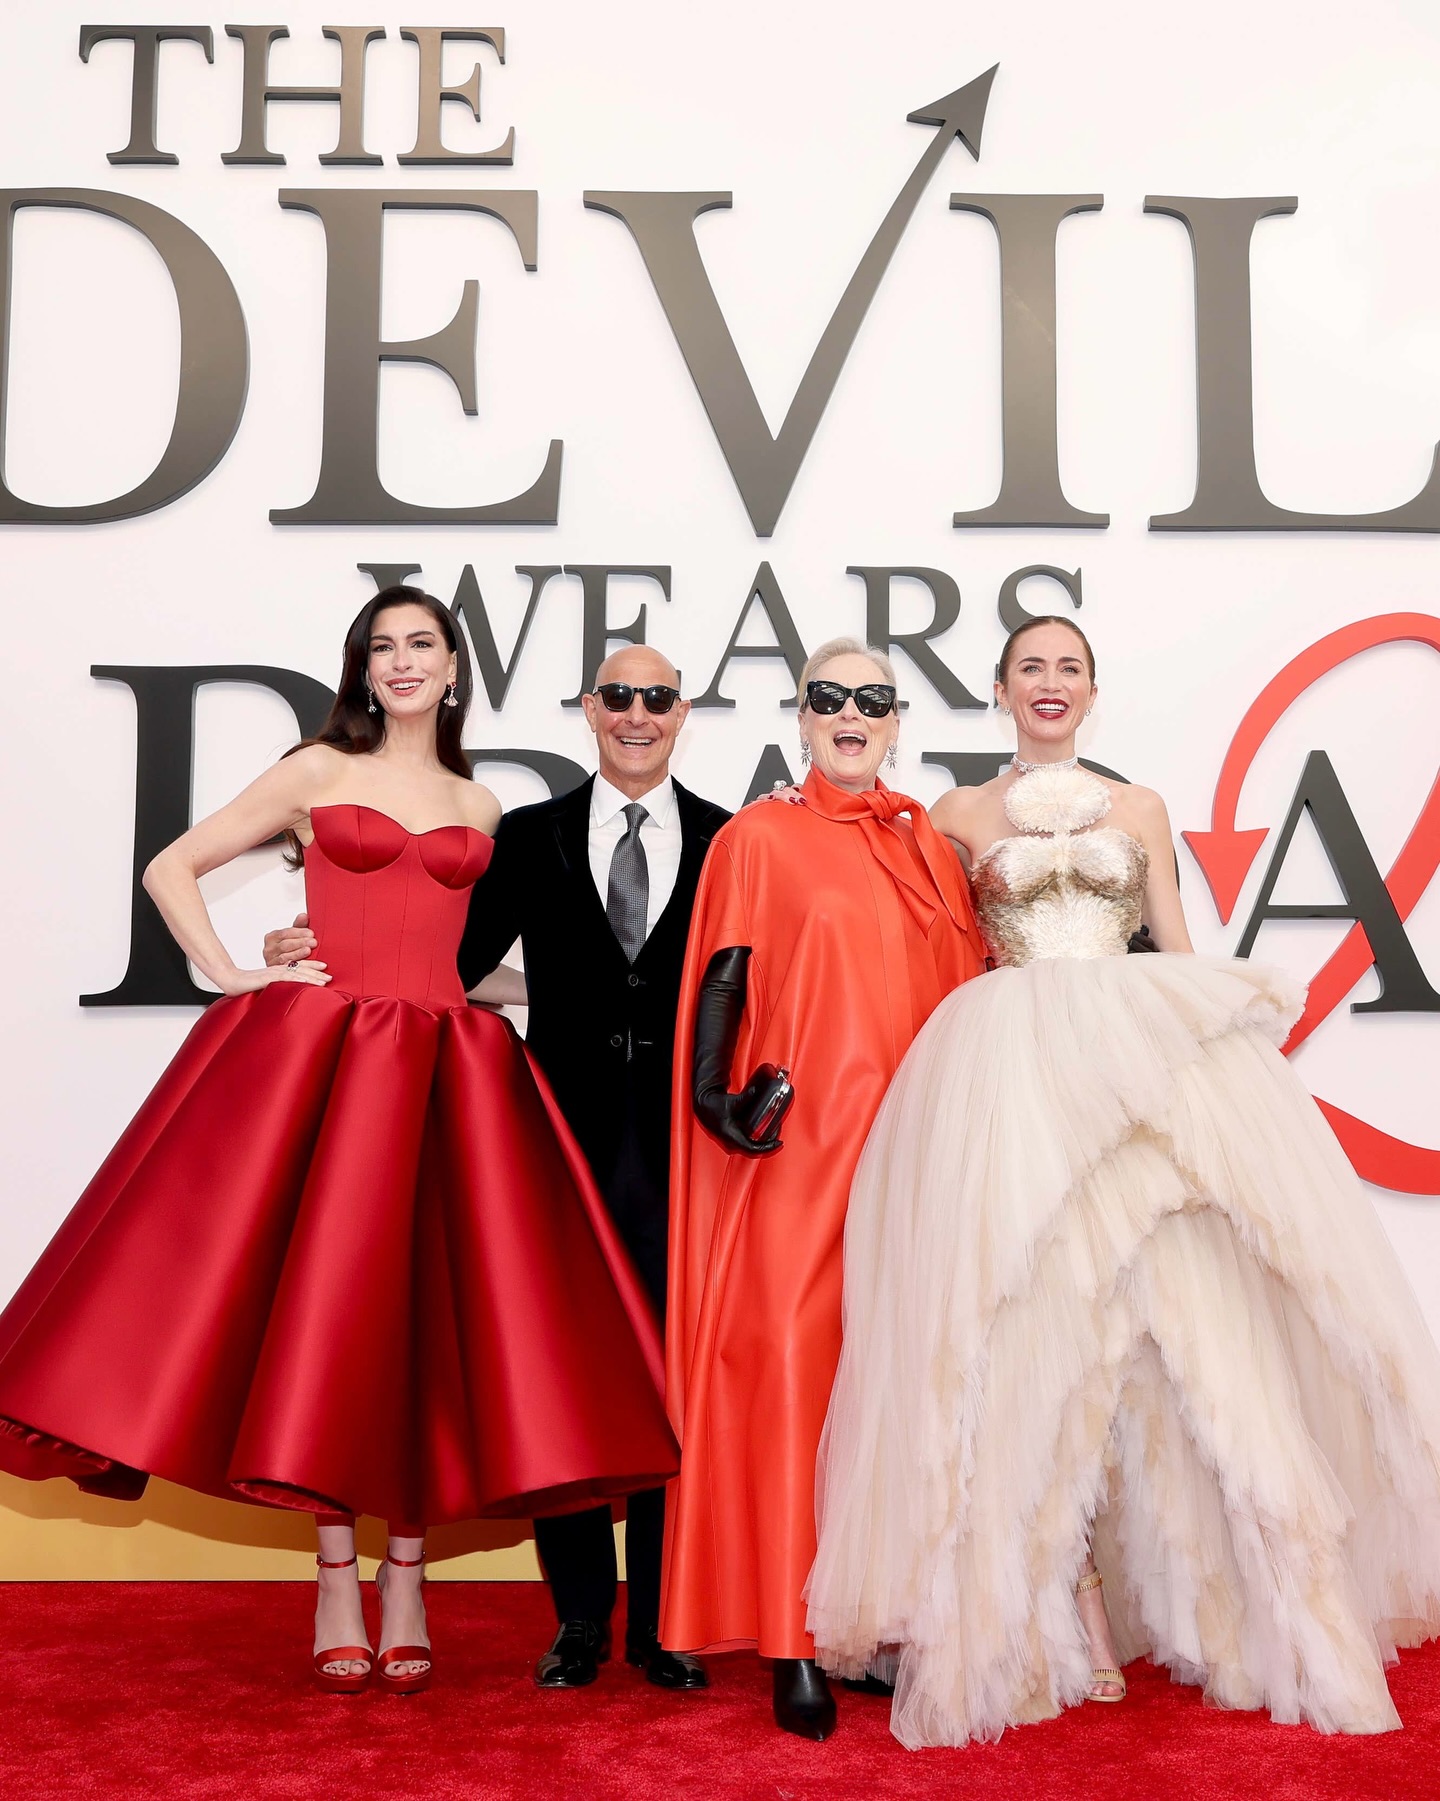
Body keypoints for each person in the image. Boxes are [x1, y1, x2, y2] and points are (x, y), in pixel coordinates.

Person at [0, 587, 676, 1695]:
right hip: (331, 1061)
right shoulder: (318, 770)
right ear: (361, 669)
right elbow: (173, 863)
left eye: (421, 645)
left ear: (456, 668)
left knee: (416, 1324)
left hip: (448, 1072)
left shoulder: (482, 802)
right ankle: (333, 1577)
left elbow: (467, 955)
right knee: (322, 1314)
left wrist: (547, 991)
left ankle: (403, 1576)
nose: (401, 662)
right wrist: (237, 972)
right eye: (381, 647)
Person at [806, 615, 1440, 1748]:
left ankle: (1244, 1609)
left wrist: (1214, 1084)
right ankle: (1052, 1618)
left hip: (1129, 1063)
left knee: (1176, 1336)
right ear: (998, 690)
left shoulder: (1140, 805)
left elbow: (1177, 948)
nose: (1050, 684)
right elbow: (930, 948)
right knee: (1023, 1340)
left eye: (1069, 668)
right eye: (1031, 668)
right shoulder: (953, 816)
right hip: (1006, 1077)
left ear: (1093, 691)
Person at [268, 642, 729, 1695]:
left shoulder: (729, 839)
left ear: (683, 712)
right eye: (618, 695)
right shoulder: (524, 834)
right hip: (550, 1131)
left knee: (664, 1377)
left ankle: (663, 1624)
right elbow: (449, 961)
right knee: (562, 1363)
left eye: (657, 697)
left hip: (684, 1150)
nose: (636, 713)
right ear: (587, 709)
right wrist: (320, 939)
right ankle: (578, 1620)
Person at [663, 637, 987, 1739]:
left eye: (873, 700)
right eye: (828, 697)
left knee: (898, 1385)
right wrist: (712, 1088)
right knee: (798, 1378)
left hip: (915, 1151)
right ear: (799, 718)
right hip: (803, 1150)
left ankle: (866, 1624)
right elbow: (724, 967)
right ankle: (792, 1636)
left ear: (898, 721)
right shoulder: (761, 833)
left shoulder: (928, 844)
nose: (851, 714)